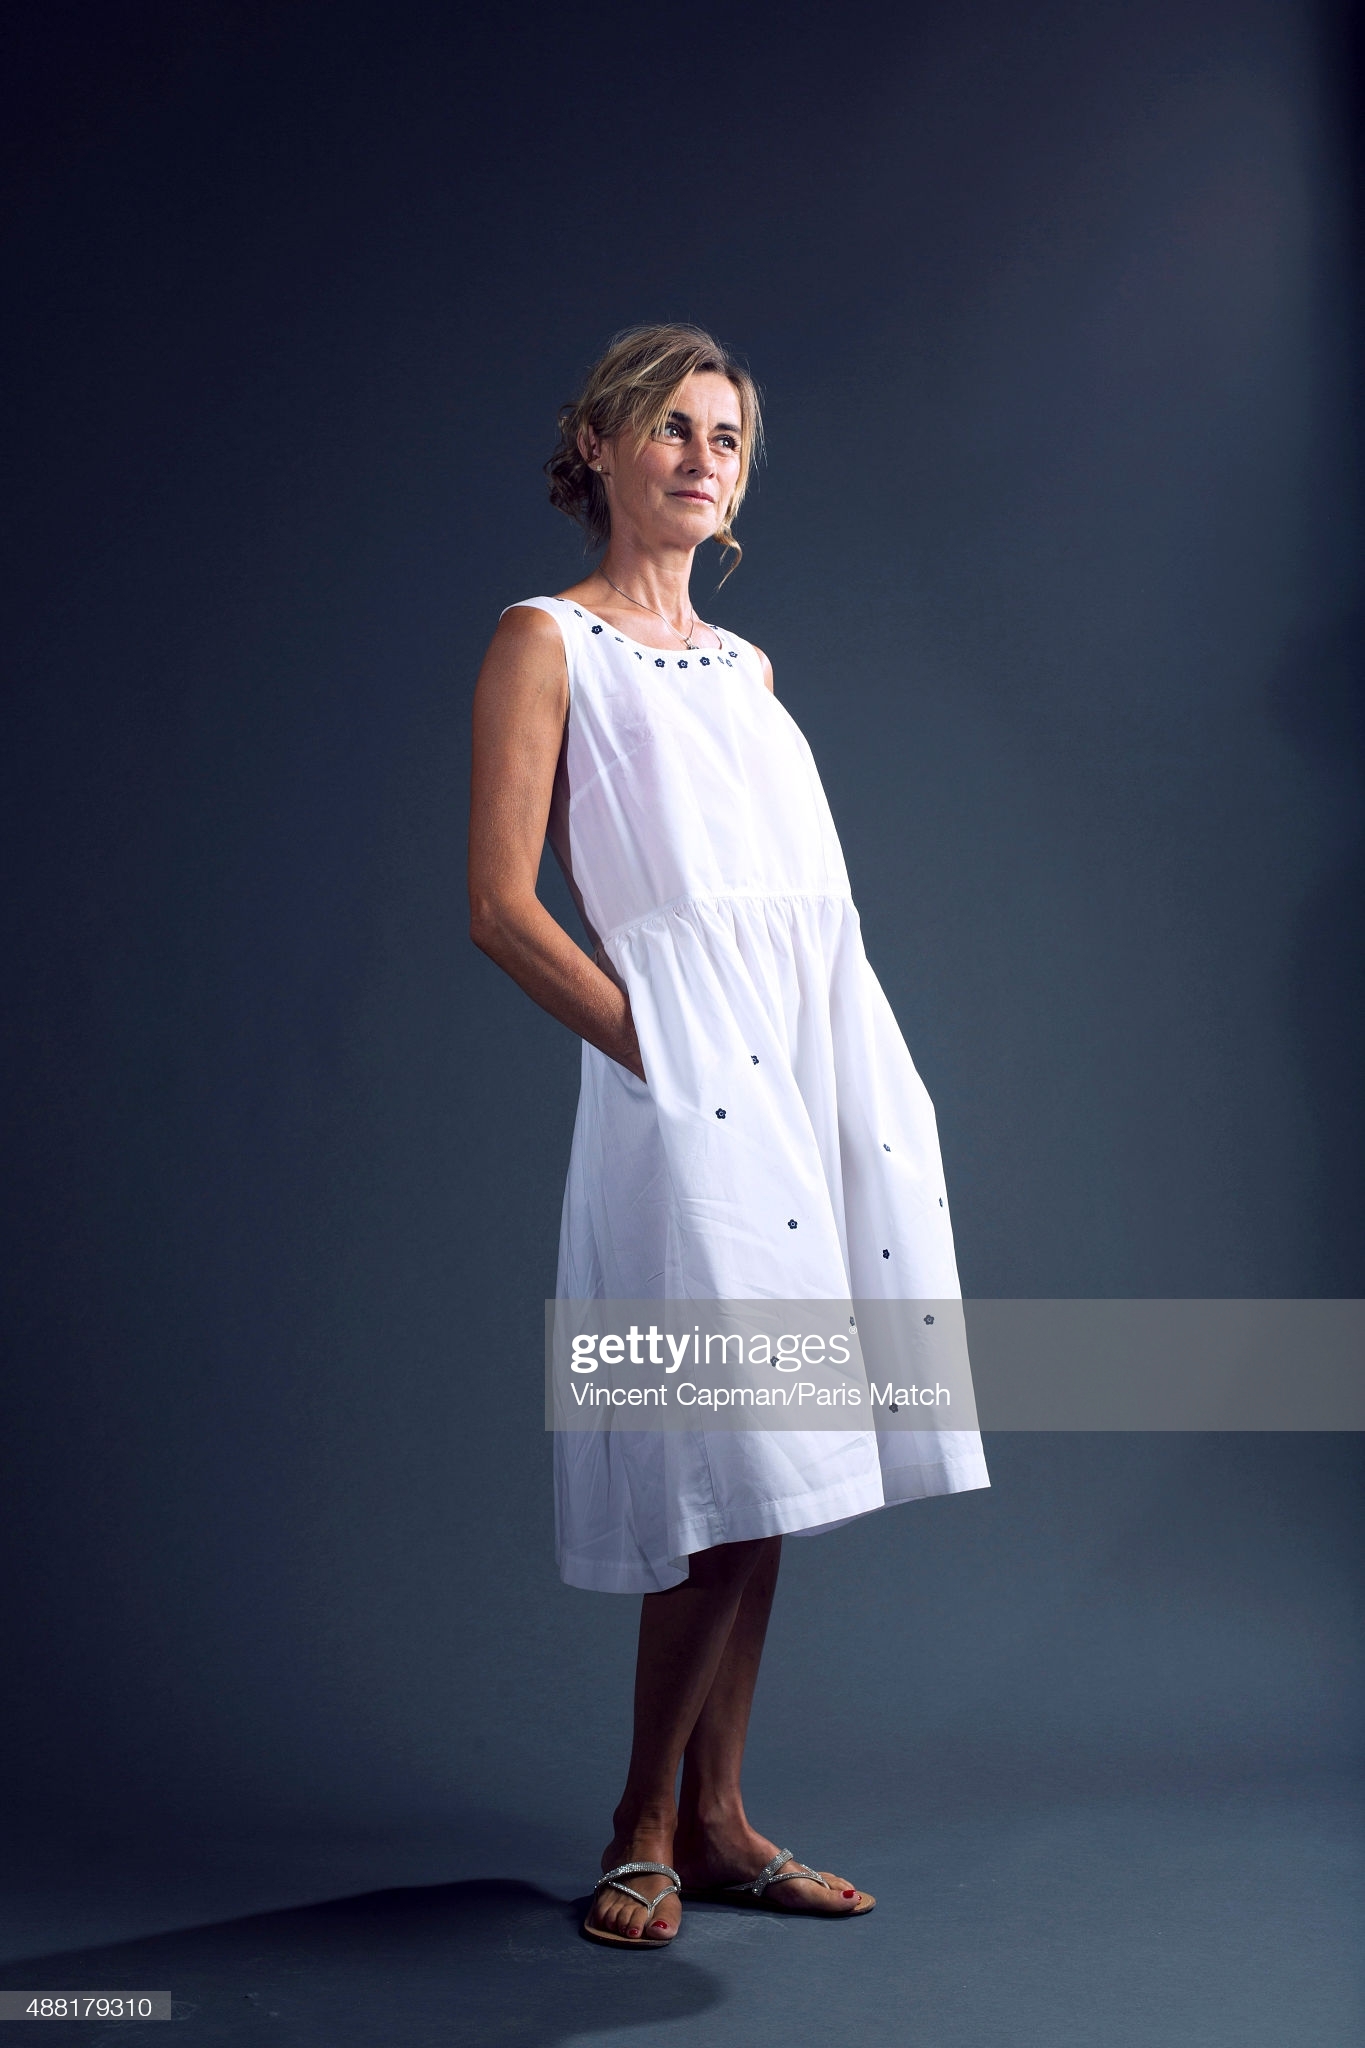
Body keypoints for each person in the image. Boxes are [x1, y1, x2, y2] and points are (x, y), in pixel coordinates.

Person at [467, 324, 990, 1949]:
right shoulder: (546, 639)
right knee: (721, 1444)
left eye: (728, 438)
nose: (703, 458)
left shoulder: (748, 669)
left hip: (816, 1062)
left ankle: (717, 1820)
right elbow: (501, 908)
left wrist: (833, 1071)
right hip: (692, 1085)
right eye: (672, 429)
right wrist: (672, 1056)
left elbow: (795, 910)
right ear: (601, 447)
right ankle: (643, 1822)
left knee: (779, 1447)